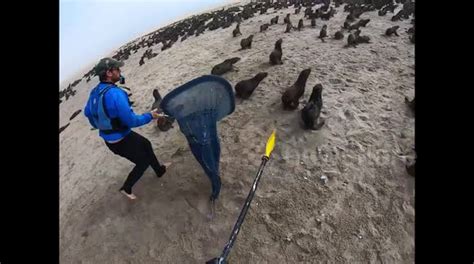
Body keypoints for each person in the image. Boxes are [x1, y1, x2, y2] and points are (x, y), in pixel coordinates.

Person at [84, 57, 170, 200]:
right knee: (143, 161)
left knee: (146, 144)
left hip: (112, 138)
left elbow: (88, 113)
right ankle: (126, 187)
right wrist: (150, 116)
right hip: (120, 140)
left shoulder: (95, 92)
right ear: (109, 72)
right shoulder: (115, 94)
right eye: (117, 69)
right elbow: (132, 121)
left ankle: (159, 170)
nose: (120, 71)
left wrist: (104, 123)